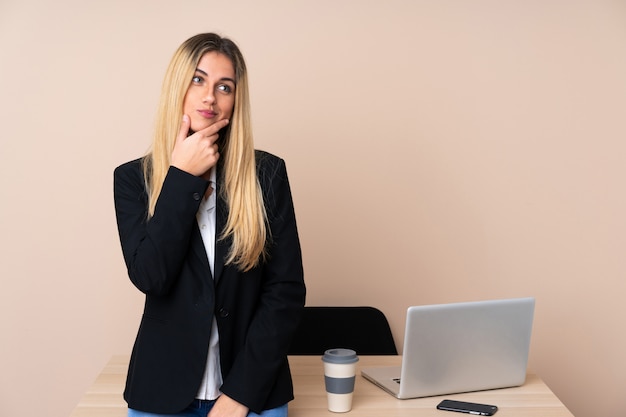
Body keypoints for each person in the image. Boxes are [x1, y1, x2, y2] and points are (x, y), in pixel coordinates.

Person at [113, 33, 306, 417]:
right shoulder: (133, 179)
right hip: (162, 391)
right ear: (177, 88)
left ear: (236, 101)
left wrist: (240, 395)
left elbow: (285, 292)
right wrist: (182, 178)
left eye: (225, 87)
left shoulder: (266, 174)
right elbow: (150, 276)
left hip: (251, 390)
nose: (210, 97)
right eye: (198, 80)